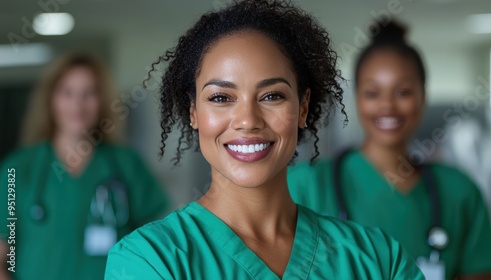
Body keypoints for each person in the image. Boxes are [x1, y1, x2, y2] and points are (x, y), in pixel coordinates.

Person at [104, 1, 424, 279]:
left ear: (303, 108)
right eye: (220, 98)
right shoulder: (149, 260)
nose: (247, 120)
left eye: (271, 95)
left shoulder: (378, 259)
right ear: (193, 113)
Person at [288, 20, 491, 279]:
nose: (387, 105)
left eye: (403, 92)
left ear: (423, 96)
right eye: (373, 93)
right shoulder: (304, 185)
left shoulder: (459, 192)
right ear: (357, 99)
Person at [0, 53, 169, 280]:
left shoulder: (126, 164)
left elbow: (155, 241)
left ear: (103, 100)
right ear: (51, 99)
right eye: (67, 93)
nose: (77, 104)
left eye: (89, 93)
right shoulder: (18, 168)